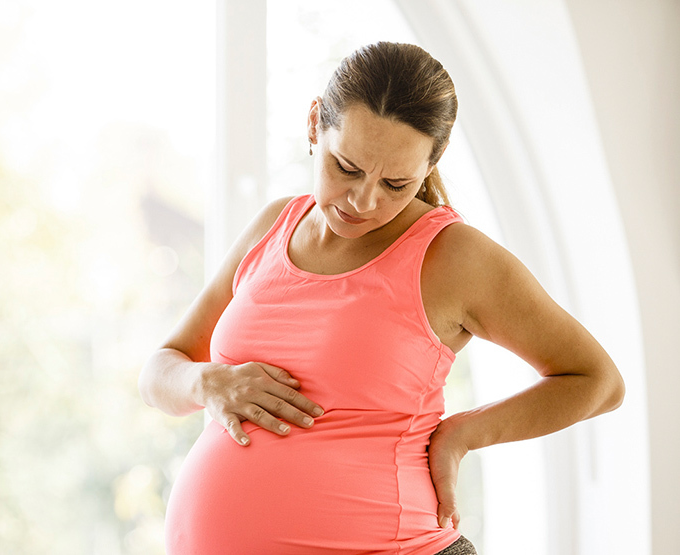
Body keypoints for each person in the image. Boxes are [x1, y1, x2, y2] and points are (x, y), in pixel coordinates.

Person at [138, 41, 625, 555]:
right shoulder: (273, 226)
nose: (363, 201)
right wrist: (205, 380)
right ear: (313, 127)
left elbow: (597, 380)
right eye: (346, 167)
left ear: (430, 164)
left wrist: (462, 434)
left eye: (396, 183)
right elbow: (159, 373)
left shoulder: (453, 257)